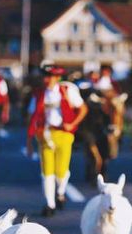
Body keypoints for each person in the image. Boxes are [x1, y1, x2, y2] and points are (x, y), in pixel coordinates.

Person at [27, 65, 88, 217]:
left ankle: (60, 191)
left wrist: (73, 123)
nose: (46, 80)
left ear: (57, 78)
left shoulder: (67, 91)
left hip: (64, 134)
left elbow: (83, 109)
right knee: (47, 172)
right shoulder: (39, 94)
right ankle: (49, 204)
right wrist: (32, 134)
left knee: (61, 172)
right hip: (45, 134)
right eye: (44, 76)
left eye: (49, 76)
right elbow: (31, 114)